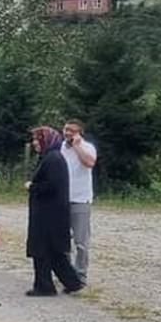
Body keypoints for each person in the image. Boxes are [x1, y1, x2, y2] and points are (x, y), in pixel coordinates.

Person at [24, 127, 83, 296]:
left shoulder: (53, 159)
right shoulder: (50, 157)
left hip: (49, 213)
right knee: (52, 250)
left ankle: (44, 286)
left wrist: (32, 187)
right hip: (49, 211)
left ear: (47, 140)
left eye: (38, 139)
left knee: (42, 249)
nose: (34, 143)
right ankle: (72, 282)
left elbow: (52, 186)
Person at [61, 120, 97, 284]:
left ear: (80, 133)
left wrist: (77, 146)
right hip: (62, 199)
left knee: (81, 241)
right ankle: (66, 274)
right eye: (66, 129)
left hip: (81, 199)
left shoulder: (87, 147)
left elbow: (89, 163)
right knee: (62, 240)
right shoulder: (60, 147)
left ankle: (80, 274)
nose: (68, 133)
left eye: (72, 131)